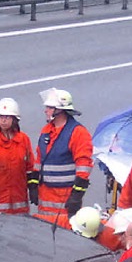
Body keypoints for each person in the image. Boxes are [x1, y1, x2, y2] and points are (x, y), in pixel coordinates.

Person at [33, 87, 93, 222]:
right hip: (45, 199)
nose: (45, 111)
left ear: (59, 110)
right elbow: (39, 160)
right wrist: (33, 184)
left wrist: (76, 195)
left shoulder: (78, 133)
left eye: (49, 107)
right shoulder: (46, 131)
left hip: (64, 199)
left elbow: (84, 167)